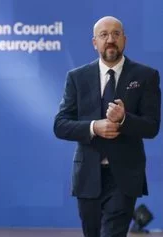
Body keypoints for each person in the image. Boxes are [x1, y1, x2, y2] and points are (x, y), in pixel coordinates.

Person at [54, 16, 161, 237]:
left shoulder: (146, 76)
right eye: (104, 35)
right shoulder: (77, 77)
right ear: (95, 42)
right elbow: (61, 125)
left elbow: (152, 127)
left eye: (115, 34)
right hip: (87, 175)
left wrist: (124, 119)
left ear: (124, 40)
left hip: (125, 175)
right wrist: (94, 127)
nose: (110, 39)